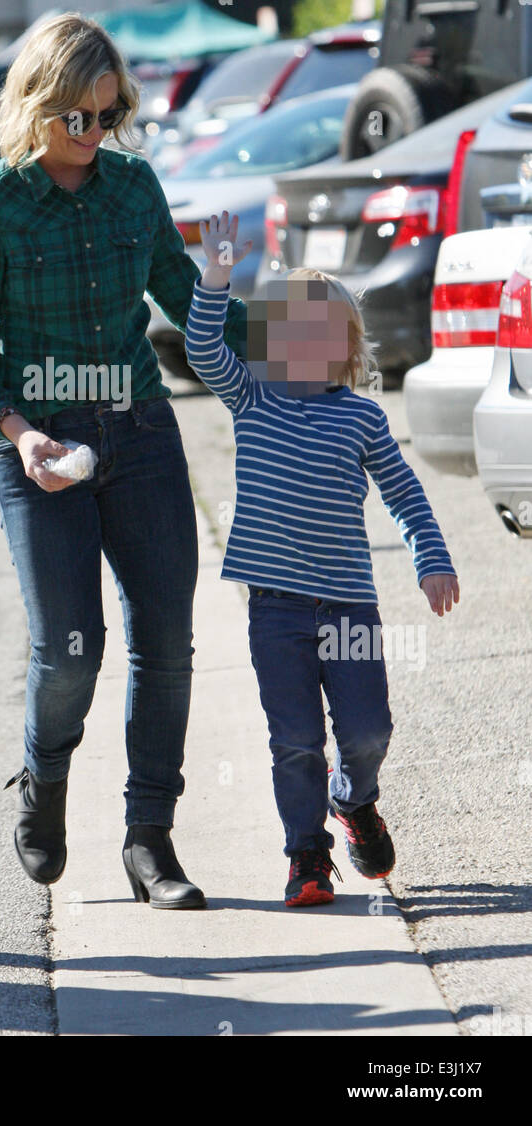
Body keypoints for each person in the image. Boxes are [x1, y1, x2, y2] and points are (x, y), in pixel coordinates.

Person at [0, 12, 248, 910]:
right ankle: (45, 777)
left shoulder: (133, 188)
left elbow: (191, 310)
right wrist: (22, 433)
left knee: (167, 642)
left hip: (141, 433)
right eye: (78, 117)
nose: (93, 135)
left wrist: (273, 332)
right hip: (39, 445)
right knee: (72, 651)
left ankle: (150, 840)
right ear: (37, 106)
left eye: (109, 117)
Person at [185, 212, 460, 907]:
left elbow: (405, 493)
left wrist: (431, 558)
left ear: (344, 345)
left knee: (368, 730)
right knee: (296, 738)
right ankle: (306, 855)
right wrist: (217, 273)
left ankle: (355, 798)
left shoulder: (361, 416)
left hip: (348, 602)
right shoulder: (252, 399)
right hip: (275, 609)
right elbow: (200, 348)